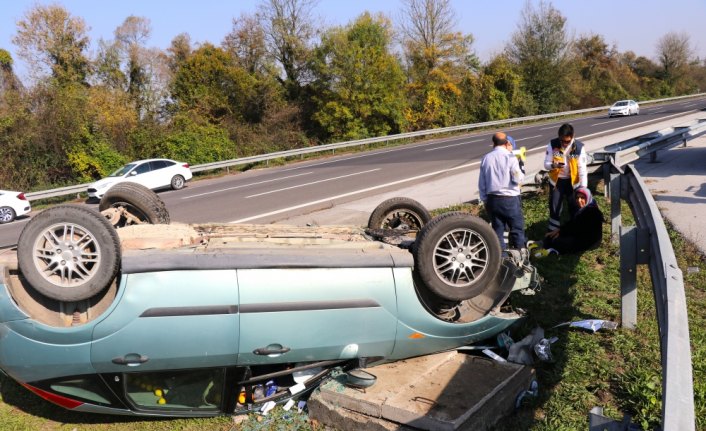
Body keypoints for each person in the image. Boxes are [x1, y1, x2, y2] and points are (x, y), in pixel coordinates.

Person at [478, 132, 527, 252]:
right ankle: (520, 254)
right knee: (516, 228)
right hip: (510, 198)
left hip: (492, 199)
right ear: (506, 143)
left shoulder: (486, 158)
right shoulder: (510, 157)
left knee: (498, 231)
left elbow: (482, 183)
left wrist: (485, 199)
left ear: (493, 143)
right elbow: (517, 178)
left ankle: (502, 257)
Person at [543, 123, 588, 232]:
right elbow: (546, 164)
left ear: (573, 136)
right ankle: (553, 234)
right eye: (562, 141)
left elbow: (582, 170)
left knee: (575, 207)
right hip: (557, 182)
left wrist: (583, 189)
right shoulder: (553, 144)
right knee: (555, 209)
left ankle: (575, 232)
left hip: (573, 182)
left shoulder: (579, 147)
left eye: (567, 141)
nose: (564, 144)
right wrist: (553, 165)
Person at [535, 187, 603, 255]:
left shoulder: (593, 212)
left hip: (589, 242)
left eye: (582, 198)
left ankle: (551, 250)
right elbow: (573, 224)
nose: (579, 200)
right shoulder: (582, 209)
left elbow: (577, 228)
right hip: (579, 236)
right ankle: (542, 244)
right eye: (577, 198)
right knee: (553, 236)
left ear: (588, 198)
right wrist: (559, 230)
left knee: (558, 241)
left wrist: (561, 232)